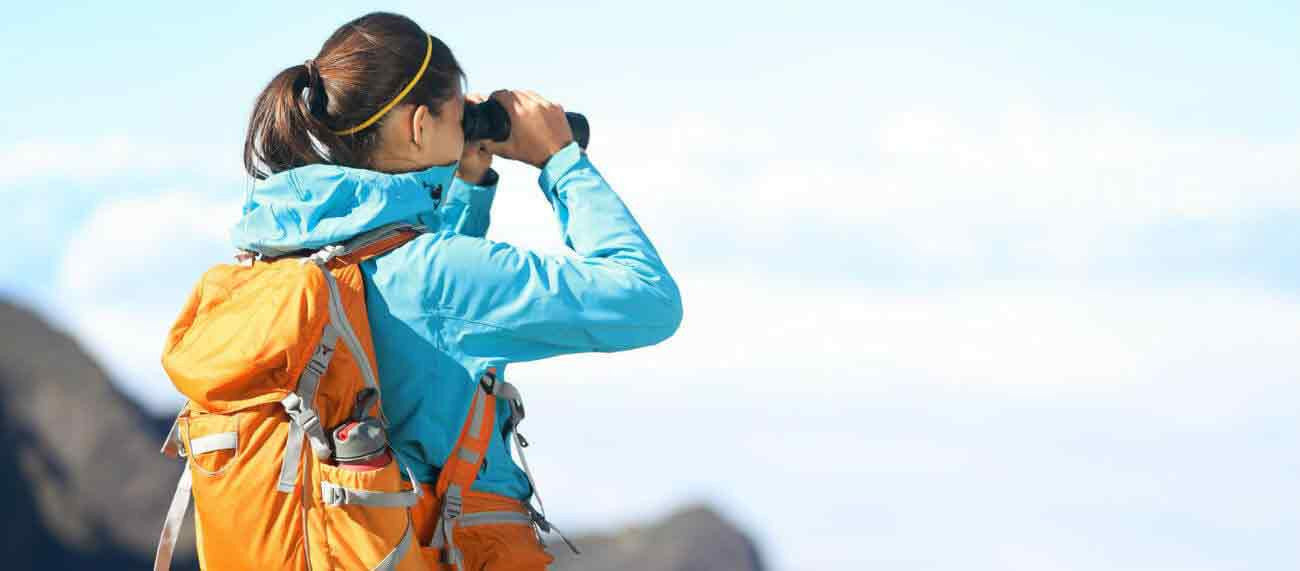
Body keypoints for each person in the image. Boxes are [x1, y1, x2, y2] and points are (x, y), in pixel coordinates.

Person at [231, 11, 683, 570]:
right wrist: (560, 161)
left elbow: (422, 340)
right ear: (420, 126)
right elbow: (646, 299)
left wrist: (467, 187)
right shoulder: (430, 274)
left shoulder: (283, 252)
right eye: (458, 112)